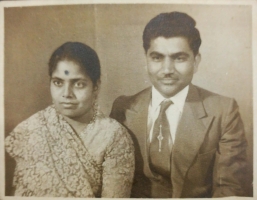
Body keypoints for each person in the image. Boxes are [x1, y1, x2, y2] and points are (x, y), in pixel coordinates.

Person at [110, 12, 248, 198]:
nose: (167, 70)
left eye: (179, 58)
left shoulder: (223, 111)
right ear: (146, 60)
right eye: (157, 58)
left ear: (196, 61)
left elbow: (229, 189)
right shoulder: (123, 108)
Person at [5, 42, 135, 197]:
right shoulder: (31, 129)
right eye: (58, 83)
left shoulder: (114, 136)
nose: (66, 94)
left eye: (78, 84)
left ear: (96, 87)